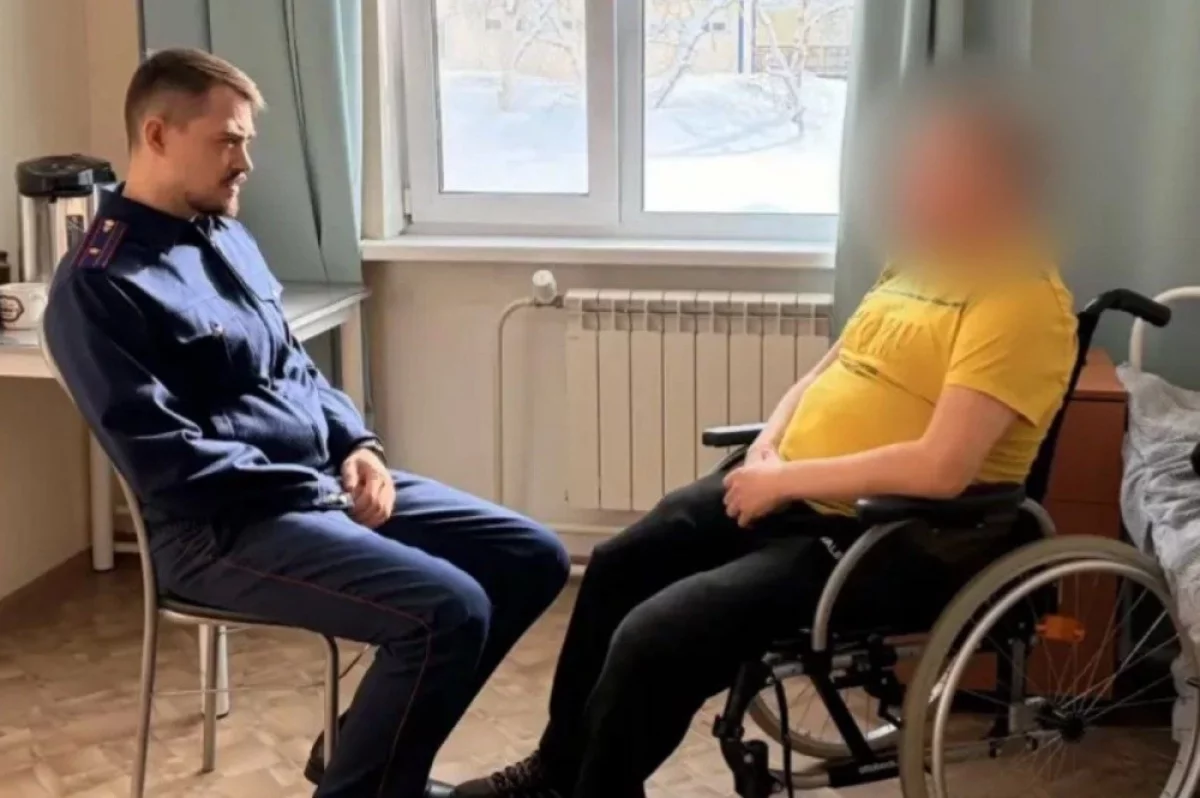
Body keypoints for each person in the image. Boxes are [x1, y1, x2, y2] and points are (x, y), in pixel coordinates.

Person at [455, 81, 1078, 798]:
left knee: (657, 637)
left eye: (934, 168)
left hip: (887, 536)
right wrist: (768, 447)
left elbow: (942, 468)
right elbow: (826, 371)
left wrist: (785, 481)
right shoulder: (917, 264)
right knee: (619, 567)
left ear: (999, 184)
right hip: (790, 489)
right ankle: (556, 771)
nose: (910, 183)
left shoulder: (1022, 302)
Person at [43, 49, 570, 798]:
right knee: (447, 612)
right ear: (157, 135)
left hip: (312, 487)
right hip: (218, 529)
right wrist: (319, 492)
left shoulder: (224, 233)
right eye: (228, 141)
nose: (245, 162)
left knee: (532, 556)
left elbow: (293, 366)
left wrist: (359, 445)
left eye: (246, 141)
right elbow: (169, 464)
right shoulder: (100, 284)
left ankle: (363, 756)